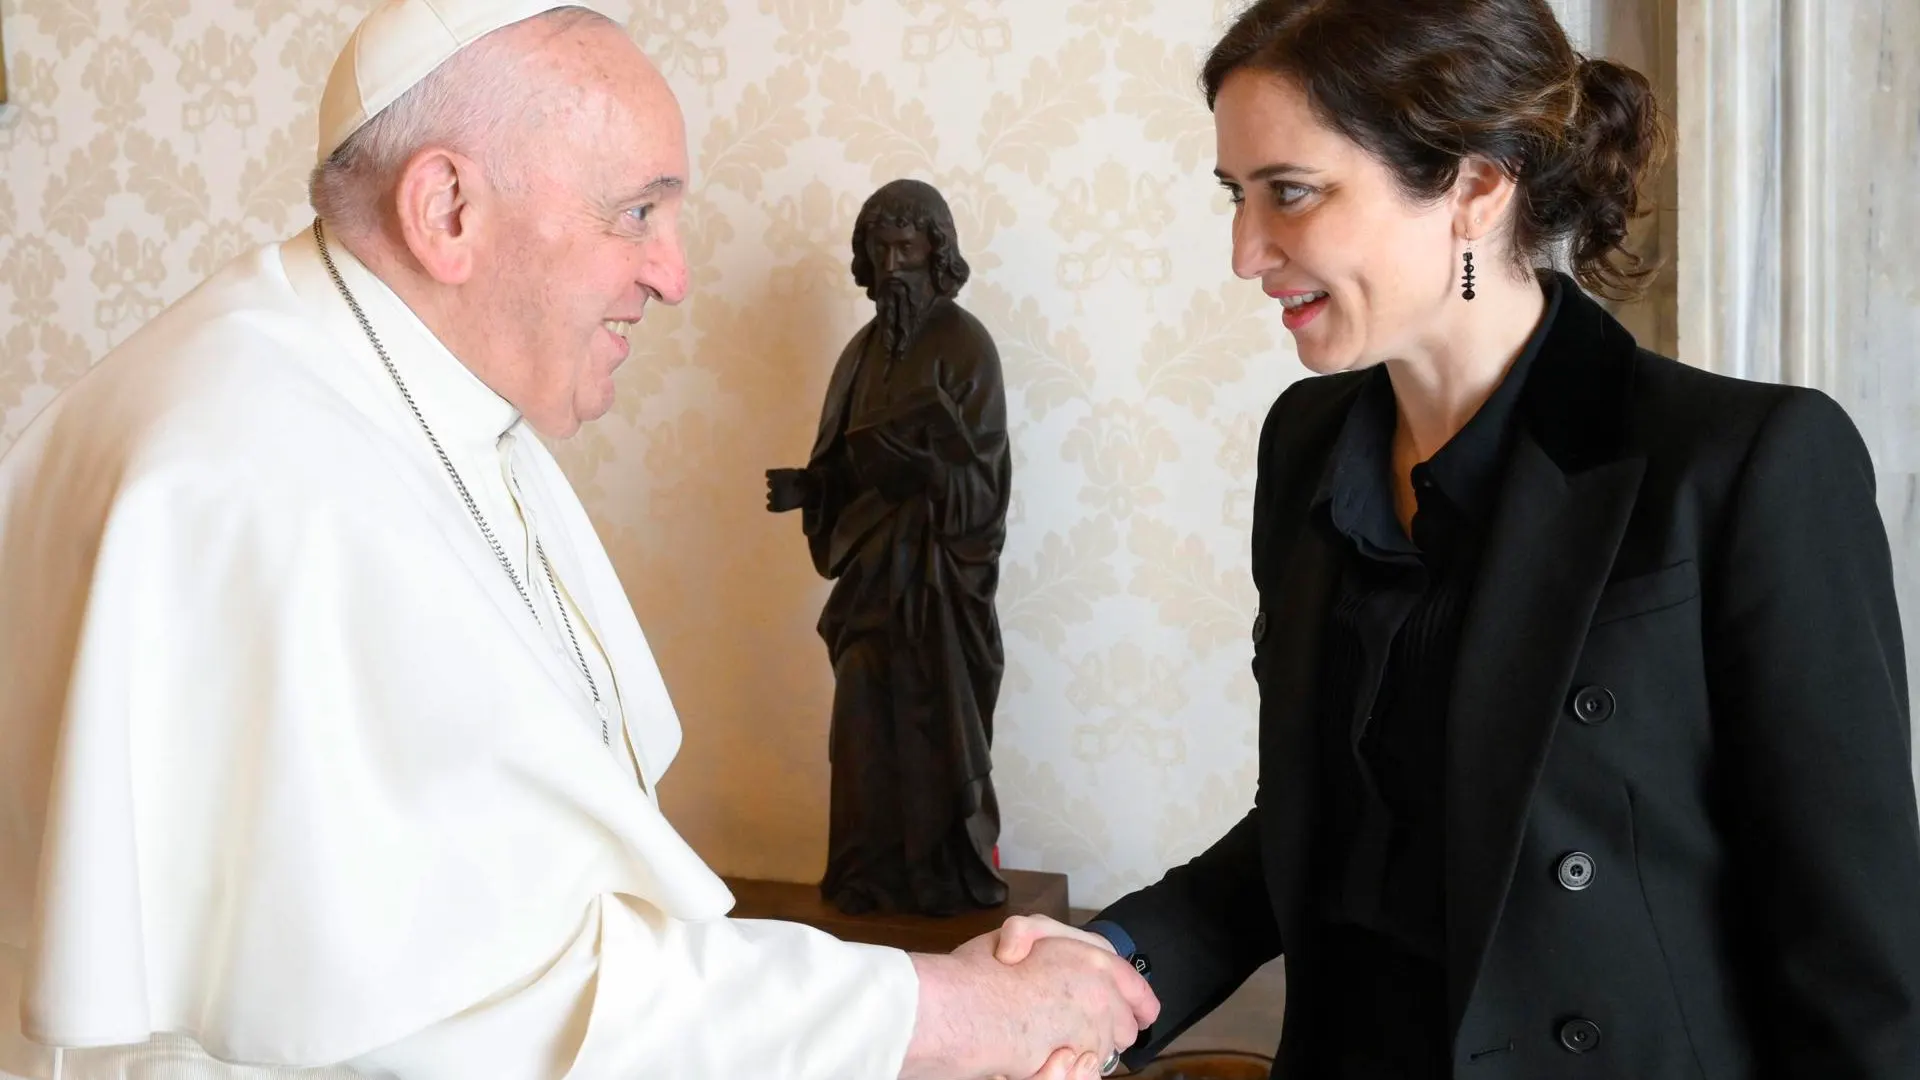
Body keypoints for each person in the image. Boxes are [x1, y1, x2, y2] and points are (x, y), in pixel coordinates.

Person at [0, 3, 1153, 1079]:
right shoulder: (261, 483)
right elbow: (489, 1006)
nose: (675, 274)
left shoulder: (403, 394)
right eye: (637, 212)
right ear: (447, 209)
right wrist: (941, 1016)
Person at [994, 0, 1920, 1076]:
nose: (1247, 252)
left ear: (1478, 188)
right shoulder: (1309, 446)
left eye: (1290, 192)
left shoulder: (1747, 463)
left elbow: (1856, 961)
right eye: (1236, 197)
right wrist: (1109, 964)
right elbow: (1322, 826)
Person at [766, 179, 1012, 920]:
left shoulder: (966, 346)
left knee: (935, 729)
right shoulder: (859, 354)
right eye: (880, 250)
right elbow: (844, 461)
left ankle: (946, 878)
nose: (893, 265)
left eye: (907, 248)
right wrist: (811, 487)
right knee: (865, 730)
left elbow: (986, 487)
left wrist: (930, 472)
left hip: (938, 589)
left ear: (937, 254)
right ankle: (868, 876)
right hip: (872, 587)